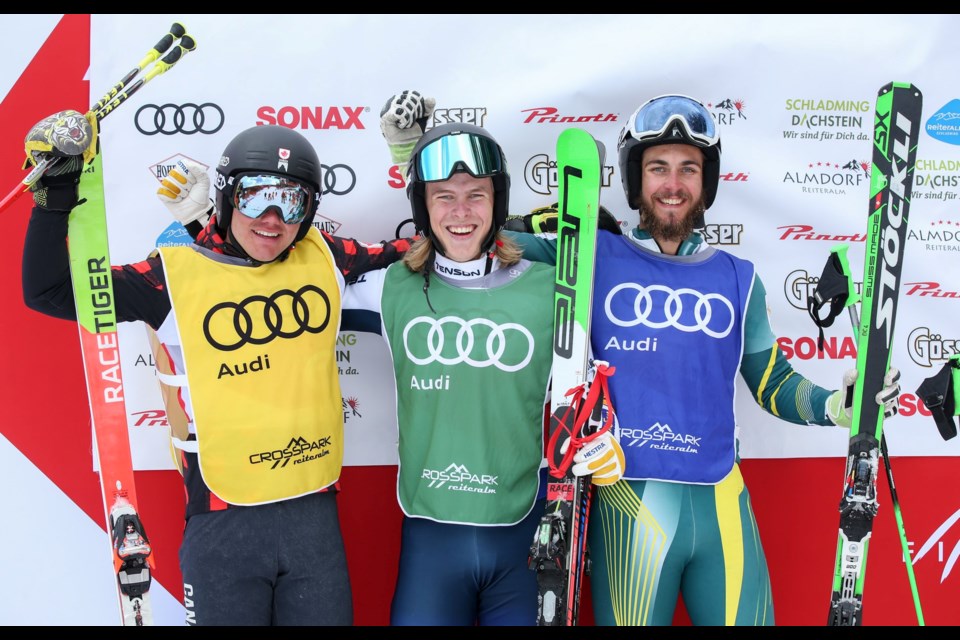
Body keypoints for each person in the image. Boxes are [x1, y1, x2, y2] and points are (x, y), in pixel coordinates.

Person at [506, 94, 903, 626]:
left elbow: (770, 380)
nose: (673, 183)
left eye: (688, 168)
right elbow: (472, 239)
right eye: (658, 168)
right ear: (635, 180)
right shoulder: (589, 256)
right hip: (630, 503)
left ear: (706, 181)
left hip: (722, 501)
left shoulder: (739, 278)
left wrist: (837, 404)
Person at [20, 111, 415, 626]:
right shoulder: (170, 276)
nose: (272, 218)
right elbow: (48, 292)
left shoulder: (326, 257)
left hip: (313, 520)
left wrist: (432, 171)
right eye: (255, 196)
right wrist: (56, 193)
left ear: (310, 211)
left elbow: (431, 251)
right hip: (223, 526)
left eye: (291, 200)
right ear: (228, 198)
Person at [335, 93, 625, 625]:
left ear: (498, 202)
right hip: (430, 533)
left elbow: (589, 390)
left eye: (476, 195)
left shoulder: (552, 286)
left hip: (522, 531)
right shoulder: (392, 287)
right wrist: (201, 228)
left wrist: (605, 441)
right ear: (423, 208)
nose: (461, 211)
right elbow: (286, 288)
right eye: (444, 197)